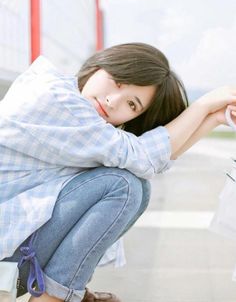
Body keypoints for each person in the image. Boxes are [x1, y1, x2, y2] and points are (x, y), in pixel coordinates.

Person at [0, 42, 236, 302]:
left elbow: (154, 157)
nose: (113, 100)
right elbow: (142, 155)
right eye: (117, 81)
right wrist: (204, 105)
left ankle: (60, 292)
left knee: (134, 184)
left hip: (11, 243)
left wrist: (216, 117)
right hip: (6, 248)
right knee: (123, 186)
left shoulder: (81, 115)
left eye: (132, 105)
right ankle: (53, 297)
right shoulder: (55, 97)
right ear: (100, 66)